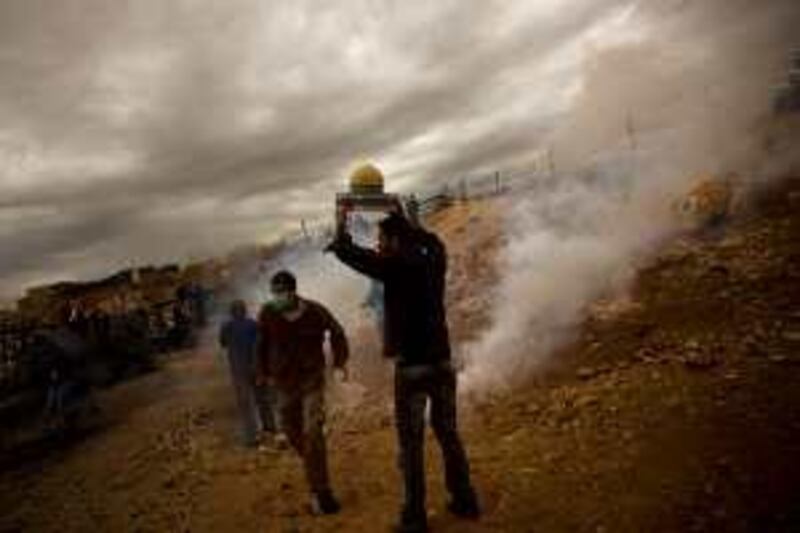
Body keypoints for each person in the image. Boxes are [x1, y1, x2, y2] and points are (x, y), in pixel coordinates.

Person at [327, 212, 480, 533]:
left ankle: (414, 518)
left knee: (411, 446)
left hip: (412, 369)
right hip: (442, 363)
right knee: (449, 433)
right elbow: (434, 241)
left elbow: (352, 254)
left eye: (382, 240)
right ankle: (465, 500)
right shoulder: (433, 260)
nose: (379, 246)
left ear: (395, 242)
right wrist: (411, 225)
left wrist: (340, 226)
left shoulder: (394, 266)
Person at [257, 270, 349, 515]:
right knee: (292, 433)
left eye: (281, 292)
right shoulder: (268, 313)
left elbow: (337, 332)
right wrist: (263, 374)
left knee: (312, 432)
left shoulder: (315, 311)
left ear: (293, 291)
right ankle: (314, 467)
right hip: (284, 385)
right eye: (274, 292)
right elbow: (261, 344)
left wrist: (340, 363)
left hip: (311, 381)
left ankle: (322, 491)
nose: (278, 297)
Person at [219, 300, 262, 447]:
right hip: (255, 368)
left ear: (231, 313)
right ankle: (271, 429)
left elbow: (223, 343)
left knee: (245, 404)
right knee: (263, 399)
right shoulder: (254, 324)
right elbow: (261, 344)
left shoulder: (226, 327)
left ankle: (251, 436)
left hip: (239, 370)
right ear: (245, 310)